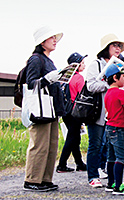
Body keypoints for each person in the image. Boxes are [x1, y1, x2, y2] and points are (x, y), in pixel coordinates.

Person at [23, 26, 64, 191]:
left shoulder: (49, 60)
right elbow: (31, 83)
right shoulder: (36, 59)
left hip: (51, 109)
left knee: (51, 145)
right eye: (51, 38)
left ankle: (45, 179)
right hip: (41, 109)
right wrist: (47, 79)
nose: (55, 40)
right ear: (42, 41)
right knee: (39, 145)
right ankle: (32, 180)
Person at [85, 33, 124, 187]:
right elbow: (90, 86)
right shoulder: (96, 64)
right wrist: (109, 84)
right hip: (98, 111)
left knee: (109, 146)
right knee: (95, 144)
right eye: (114, 45)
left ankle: (108, 175)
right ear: (106, 48)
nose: (118, 49)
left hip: (115, 113)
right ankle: (92, 176)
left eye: (119, 46)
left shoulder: (120, 65)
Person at [103, 63, 124, 195]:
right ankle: (119, 186)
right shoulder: (121, 93)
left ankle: (110, 183)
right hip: (119, 128)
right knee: (120, 157)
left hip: (109, 127)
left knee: (111, 157)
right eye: (123, 76)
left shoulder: (107, 94)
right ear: (115, 77)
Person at [56, 52, 87, 173]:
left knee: (74, 137)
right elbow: (83, 94)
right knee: (72, 138)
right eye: (82, 63)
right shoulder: (79, 78)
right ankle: (61, 164)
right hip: (75, 112)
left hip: (65, 111)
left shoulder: (65, 79)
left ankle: (79, 163)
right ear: (76, 65)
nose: (84, 65)